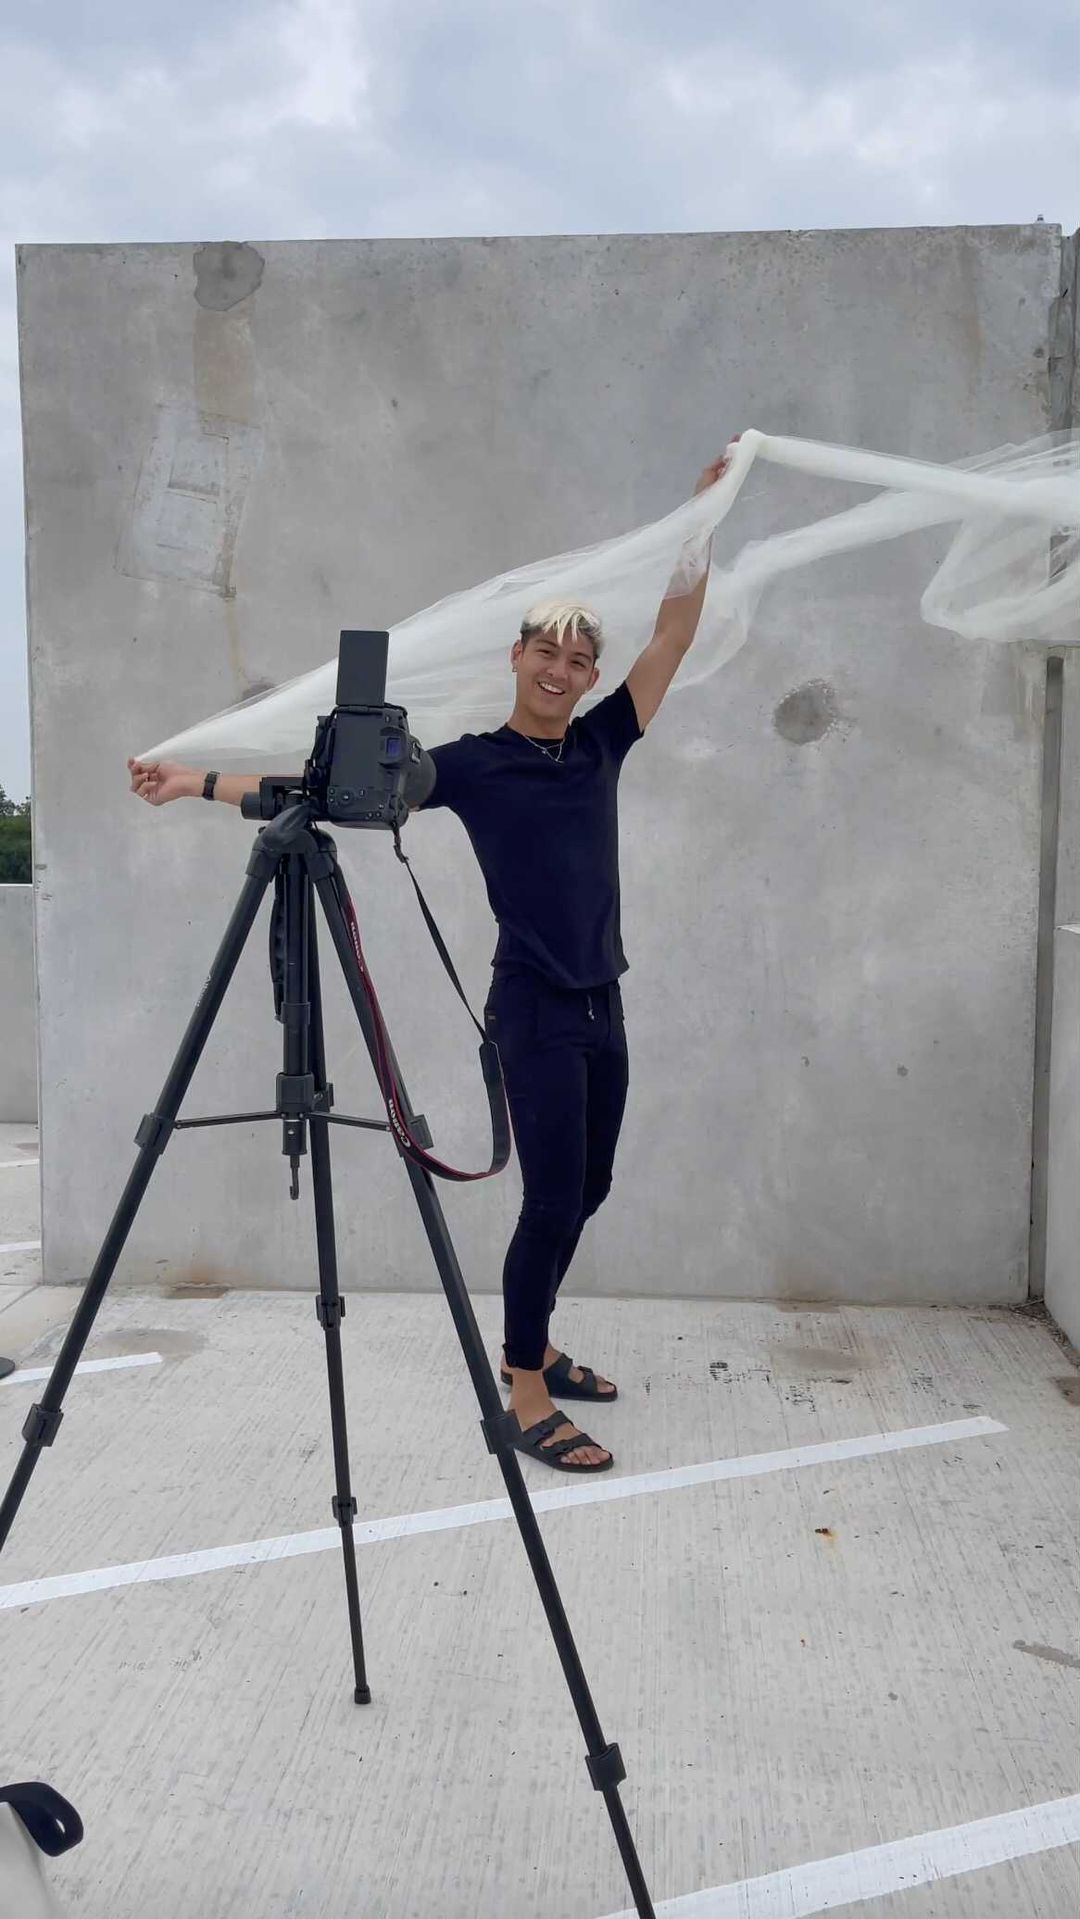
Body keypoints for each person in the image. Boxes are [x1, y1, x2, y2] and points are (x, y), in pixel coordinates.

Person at [129, 449, 733, 1474]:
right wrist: (195, 781)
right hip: (534, 1008)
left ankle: (535, 1338)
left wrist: (701, 523)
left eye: (578, 659)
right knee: (551, 1200)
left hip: (605, 1003)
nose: (560, 670)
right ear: (517, 656)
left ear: (592, 675)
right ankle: (524, 1387)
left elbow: (674, 632)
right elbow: (325, 792)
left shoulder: (603, 742)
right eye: (545, 651)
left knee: (590, 1187)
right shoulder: (472, 765)